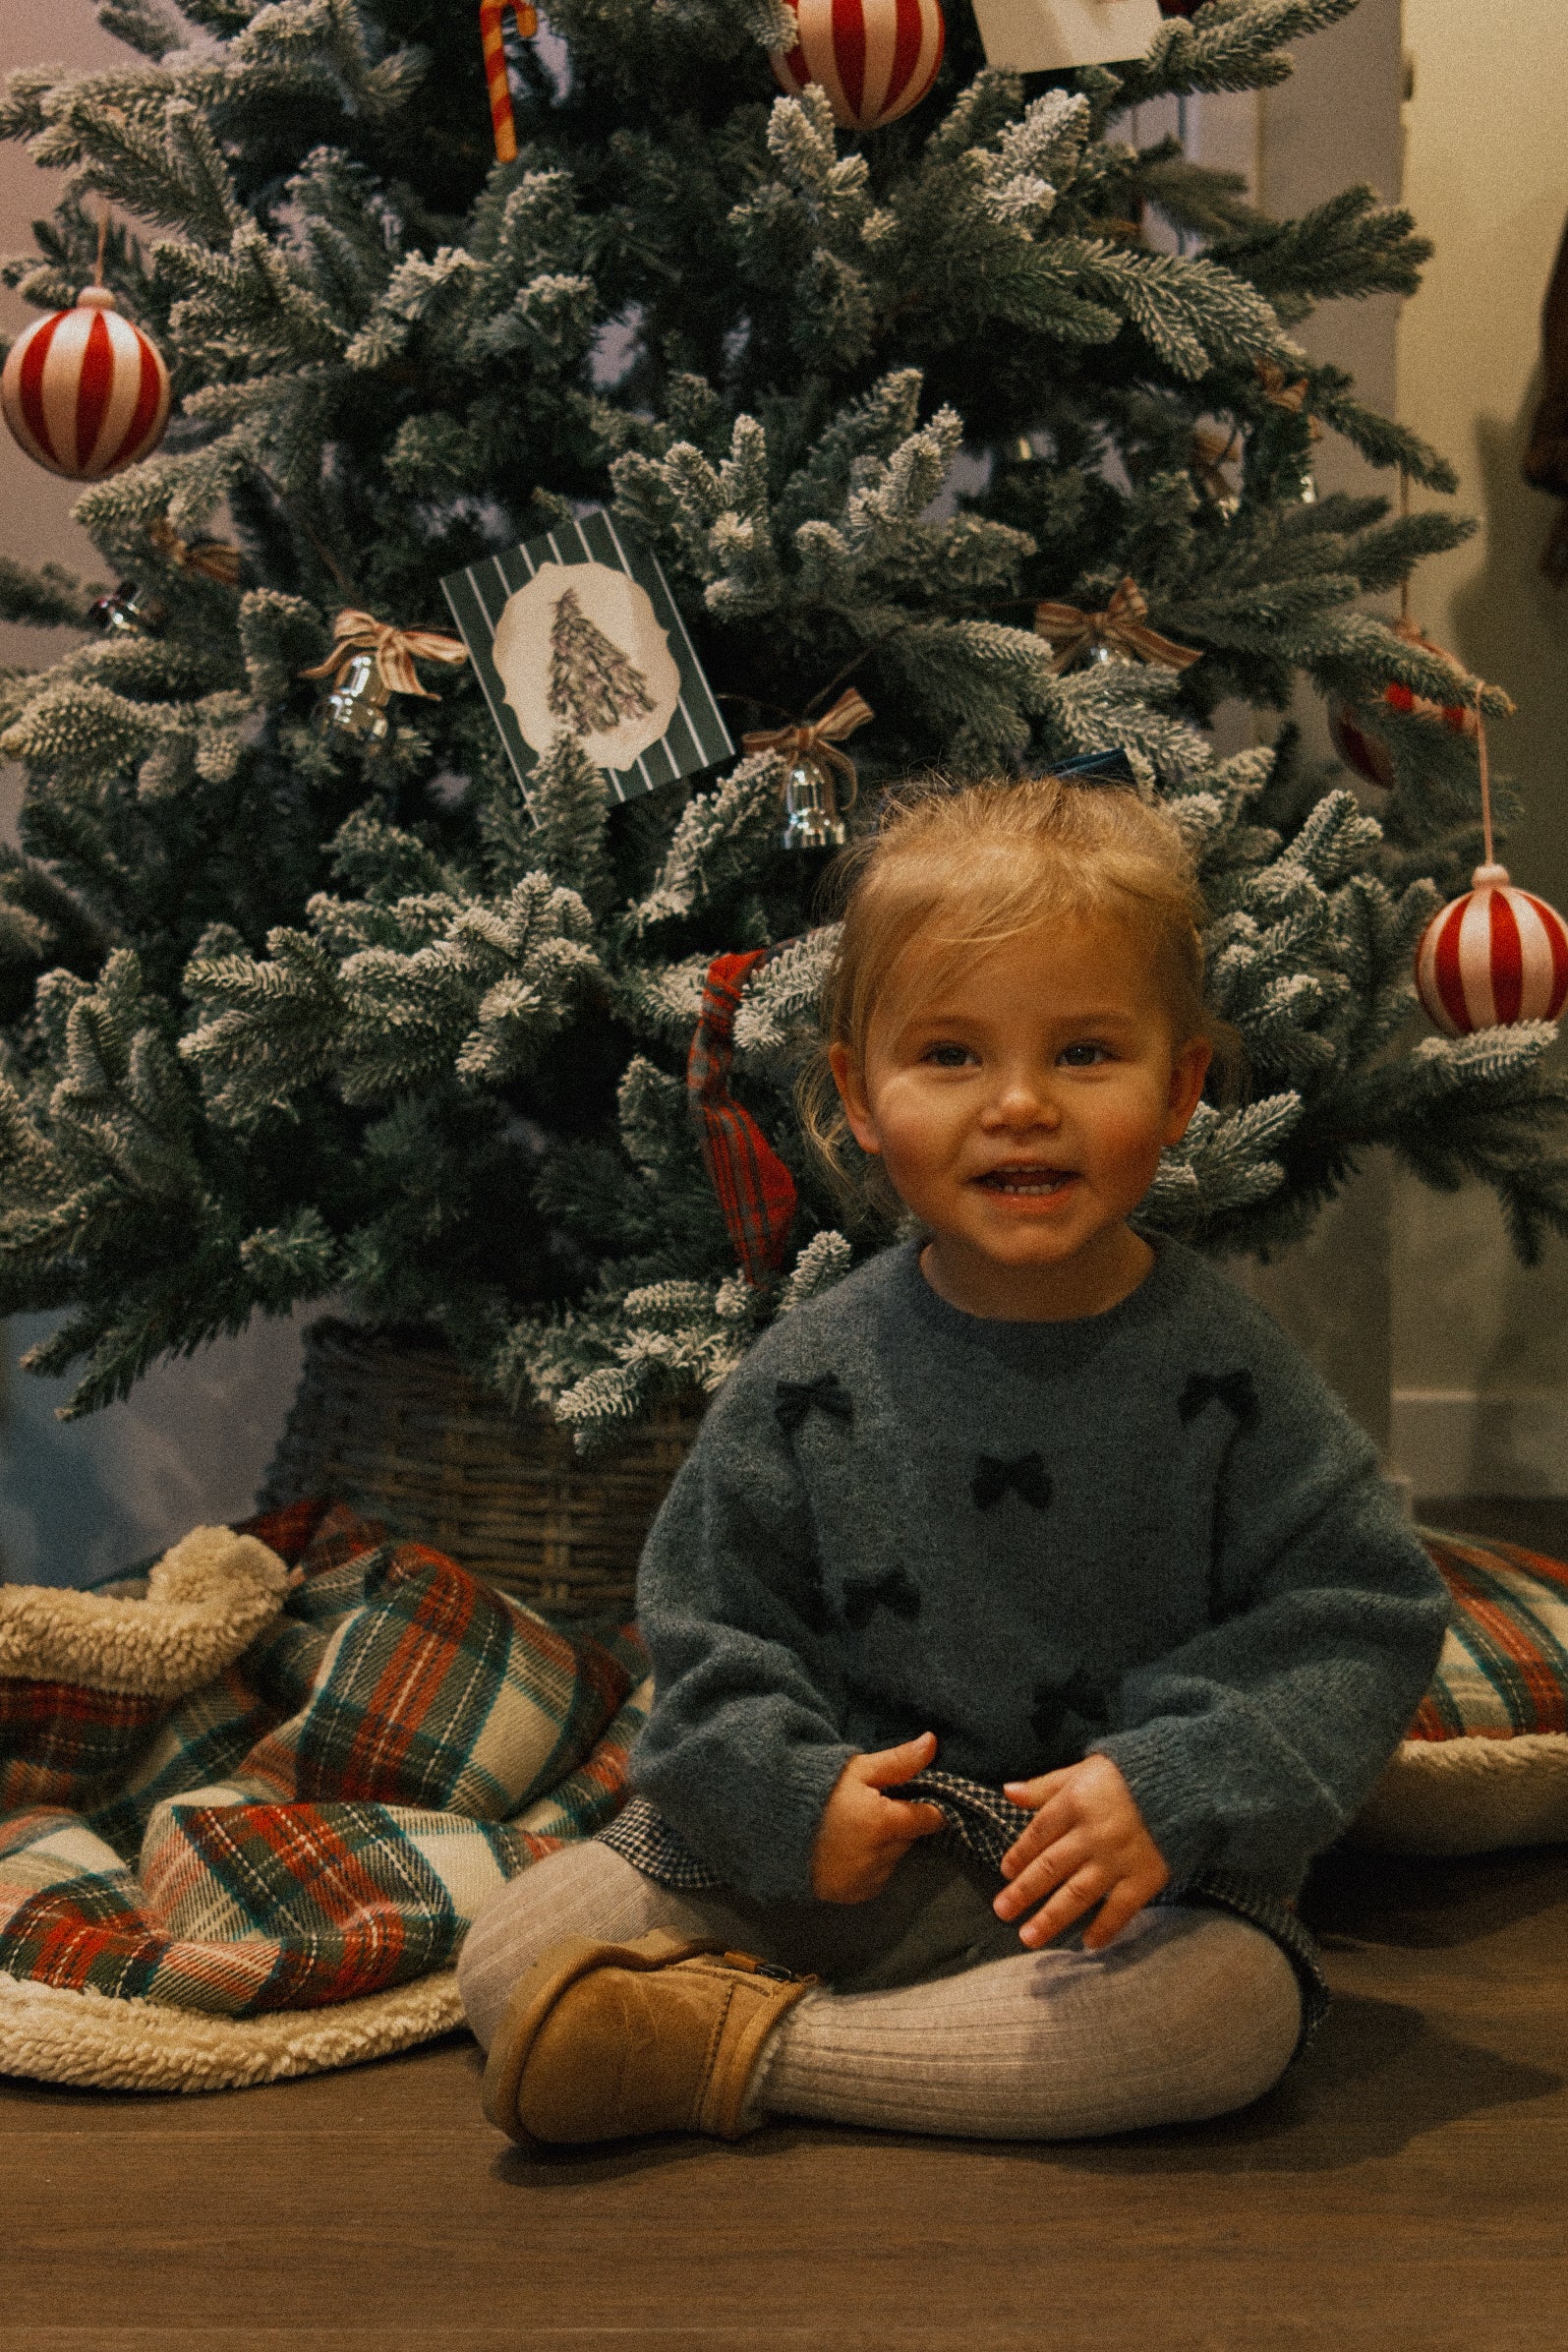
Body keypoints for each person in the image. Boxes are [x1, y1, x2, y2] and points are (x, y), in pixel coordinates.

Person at [459, 773, 1449, 2150]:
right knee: (507, 1956)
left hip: (1119, 1889)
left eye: (1087, 1054)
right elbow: (711, 1634)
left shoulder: (1232, 1373)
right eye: (954, 1056)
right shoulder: (806, 1380)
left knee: (1227, 2022)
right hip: (853, 1862)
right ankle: (814, 2017)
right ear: (859, 1097)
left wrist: (1174, 1785)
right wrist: (791, 1794)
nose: (1022, 1106)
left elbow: (1363, 1614)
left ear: (1181, 1089)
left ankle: (751, 2052)